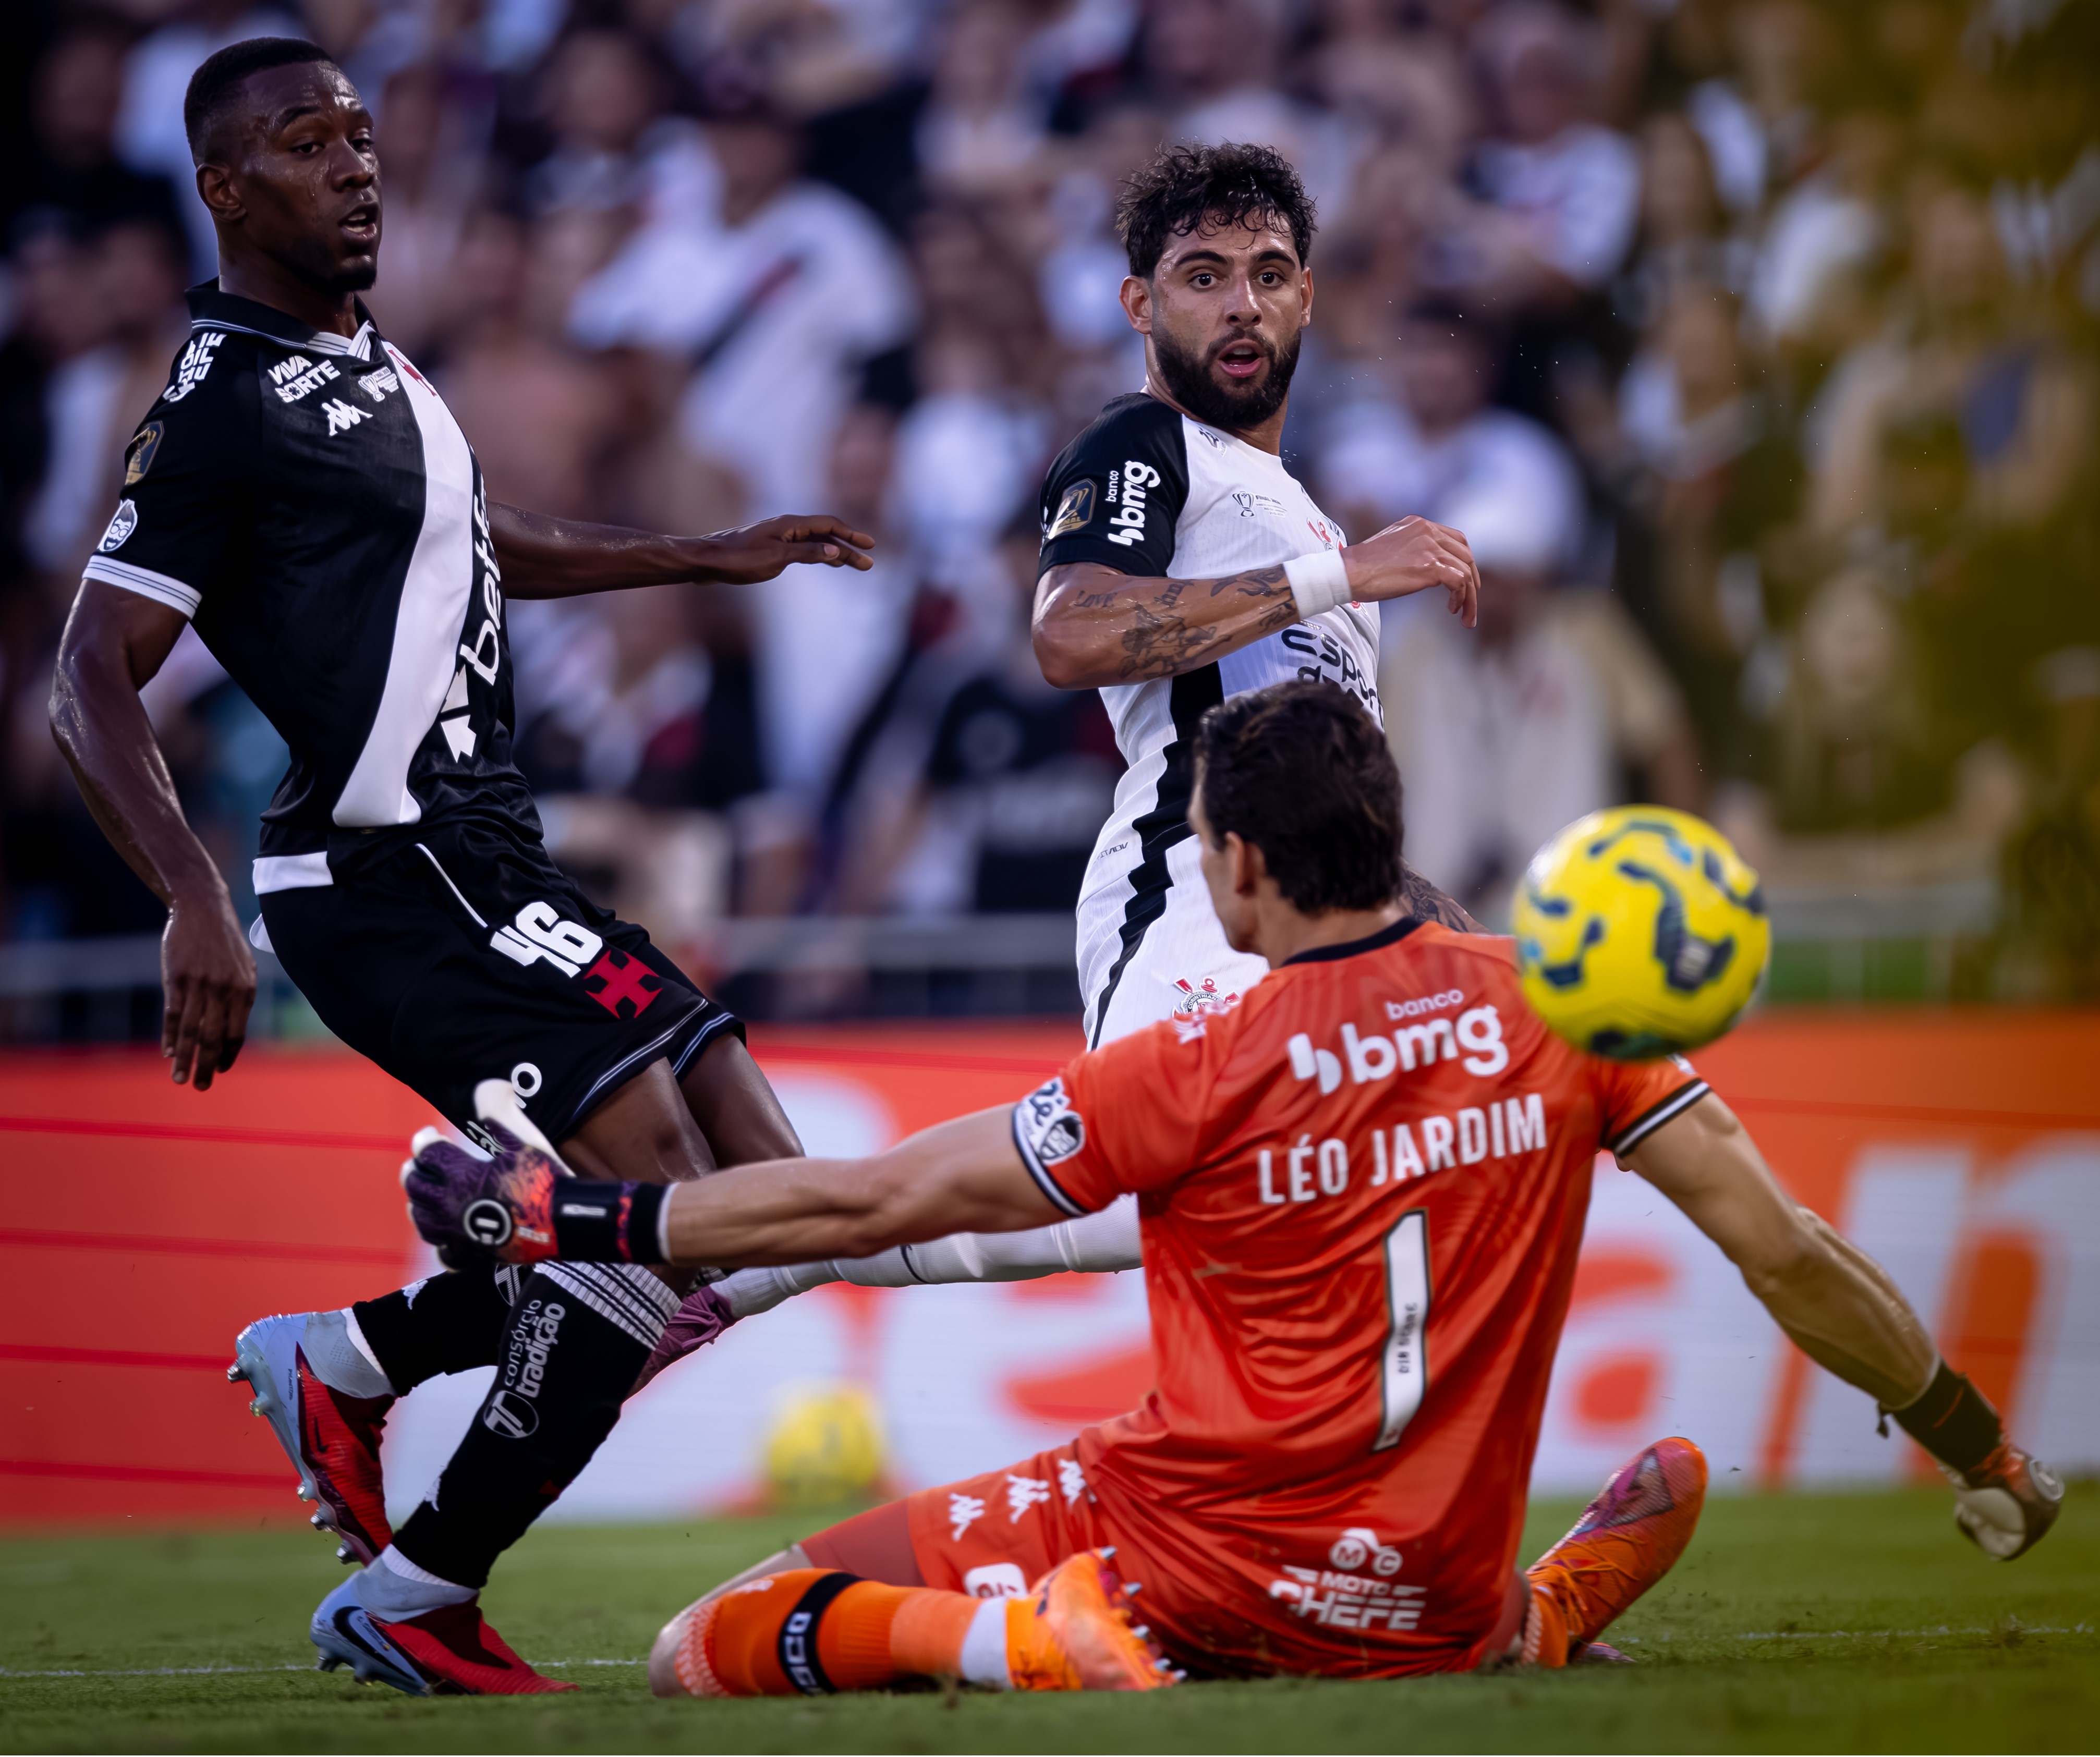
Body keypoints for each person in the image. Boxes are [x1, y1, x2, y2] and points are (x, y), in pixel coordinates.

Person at [401, 679, 2063, 1696]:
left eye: (1202, 845)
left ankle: (1026, 1648)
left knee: (715, 1636)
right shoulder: (1567, 1015)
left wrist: (564, 1221)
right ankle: (1528, 1616)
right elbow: (1788, 1251)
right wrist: (1974, 1446)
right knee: (1511, 1552)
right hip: (1419, 1596)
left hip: (1185, 1567)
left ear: (1244, 865)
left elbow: (863, 1204)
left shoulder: (1191, 1064)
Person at [46, 38, 875, 1696]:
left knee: (775, 1215)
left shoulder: (373, 365)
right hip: (391, 873)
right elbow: (87, 669)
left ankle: (360, 1357)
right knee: (644, 1215)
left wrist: (701, 553)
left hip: (497, 860)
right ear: (223, 187)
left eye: (359, 136)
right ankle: (418, 1588)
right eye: (303, 142)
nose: (353, 164)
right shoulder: (218, 405)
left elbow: (476, 550)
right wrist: (188, 896)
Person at [639, 141, 1489, 1341]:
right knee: (1165, 1199)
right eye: (1202, 274)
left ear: (1307, 294)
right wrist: (1335, 574)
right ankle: (733, 1247)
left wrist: (1436, 932)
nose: (1240, 301)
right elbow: (1071, 633)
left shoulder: (1301, 519)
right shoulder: (1144, 446)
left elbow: (1327, 788)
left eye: (1267, 271)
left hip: (1311, 926)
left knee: (1343, 1219)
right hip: (1190, 890)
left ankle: (735, 1253)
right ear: (1139, 303)